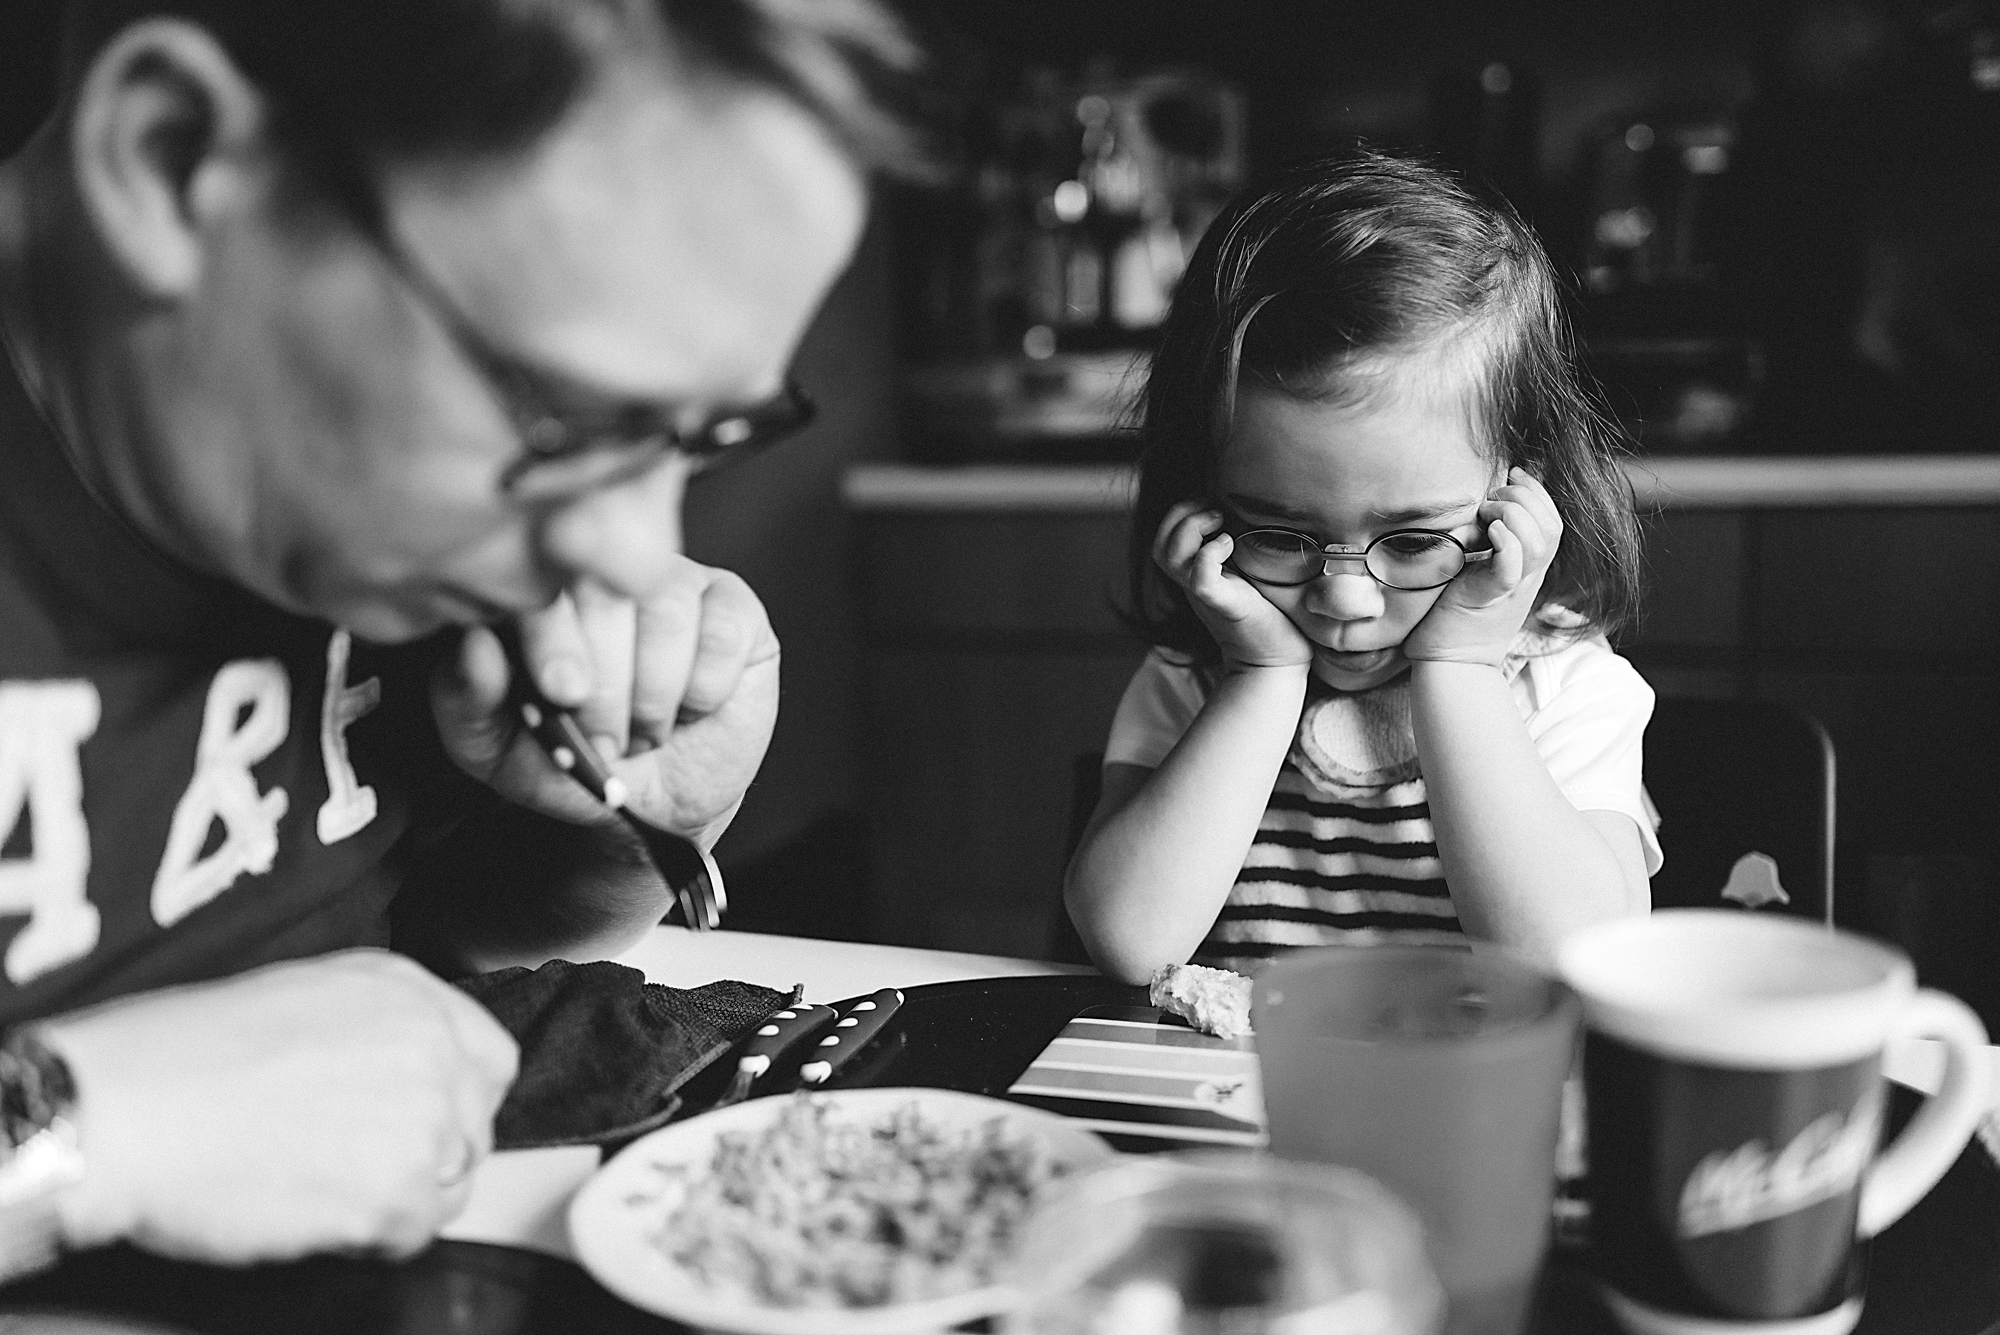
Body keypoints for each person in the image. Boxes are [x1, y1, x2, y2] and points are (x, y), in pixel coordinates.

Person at [0, 0, 912, 1276]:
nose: (635, 553)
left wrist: (598, 844)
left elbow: (392, 999)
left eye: (698, 439)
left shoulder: (350, 533)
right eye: (571, 415)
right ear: (167, 156)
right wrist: (80, 1129)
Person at [1065, 153, 1658, 985]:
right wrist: (1259, 675)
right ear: (1204, 496)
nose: (1343, 597)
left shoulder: (1563, 692)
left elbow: (1574, 961)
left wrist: (1460, 666)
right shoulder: (1192, 680)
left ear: (1521, 497)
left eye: (1413, 542)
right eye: (1278, 533)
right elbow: (1130, 938)